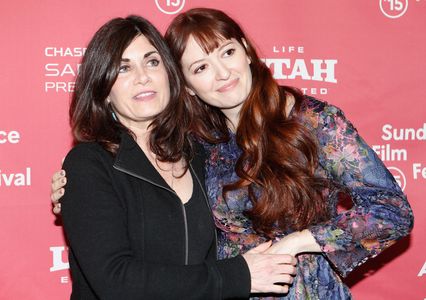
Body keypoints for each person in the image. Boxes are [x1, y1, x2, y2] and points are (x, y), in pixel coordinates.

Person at [52, 8, 414, 299]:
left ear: (246, 50)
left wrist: (298, 242)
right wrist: (74, 194)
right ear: (187, 86)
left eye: (227, 52)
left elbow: (392, 211)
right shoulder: (201, 145)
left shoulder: (312, 122)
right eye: (201, 67)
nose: (222, 73)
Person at [56, 15, 299, 300]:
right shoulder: (89, 164)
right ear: (104, 90)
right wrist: (240, 275)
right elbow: (116, 281)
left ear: (172, 75)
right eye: (124, 68)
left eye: (152, 61)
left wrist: (291, 113)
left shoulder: (201, 151)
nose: (143, 77)